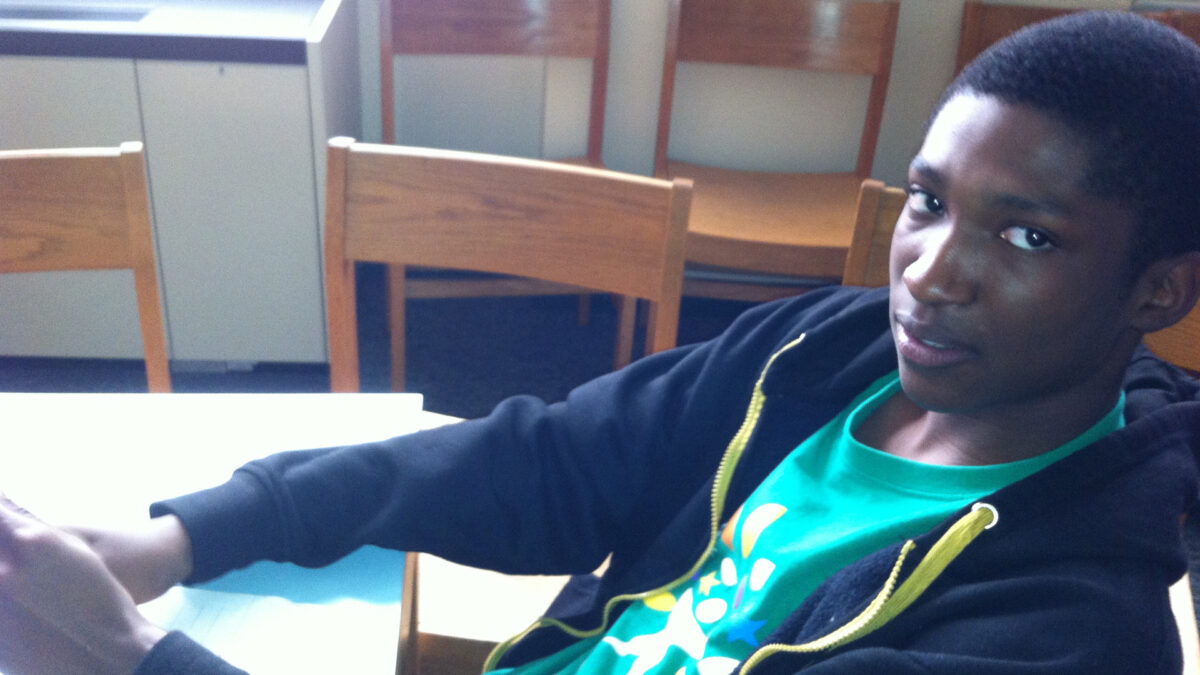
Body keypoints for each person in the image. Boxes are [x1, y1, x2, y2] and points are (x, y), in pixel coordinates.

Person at [3, 10, 1200, 675]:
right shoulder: (833, 351)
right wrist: (186, 534)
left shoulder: (1074, 629)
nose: (931, 273)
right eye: (930, 202)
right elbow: (550, 461)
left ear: (1158, 289)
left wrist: (134, 657)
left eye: (1028, 238)